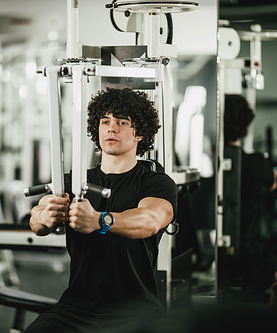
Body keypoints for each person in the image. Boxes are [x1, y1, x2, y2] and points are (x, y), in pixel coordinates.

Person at [25, 87, 178, 333]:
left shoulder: (155, 182)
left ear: (140, 133)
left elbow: (151, 219)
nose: (111, 128)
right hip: (75, 308)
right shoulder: (74, 181)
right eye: (105, 121)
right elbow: (37, 218)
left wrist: (100, 221)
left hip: (135, 310)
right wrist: (46, 215)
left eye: (122, 122)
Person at [224, 94, 277, 316]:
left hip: (212, 251)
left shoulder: (203, 160)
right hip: (245, 252)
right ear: (244, 126)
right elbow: (272, 183)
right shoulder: (257, 163)